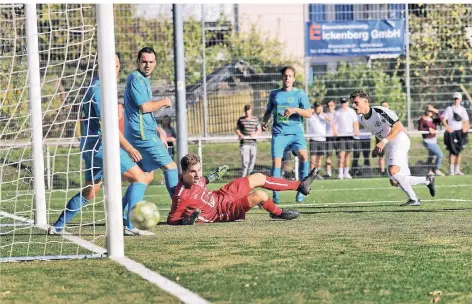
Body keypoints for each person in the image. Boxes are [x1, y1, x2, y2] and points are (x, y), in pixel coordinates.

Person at [49, 54, 154, 236]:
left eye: (116, 66)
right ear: (100, 67)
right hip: (101, 147)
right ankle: (129, 226)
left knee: (90, 191)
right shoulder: (99, 91)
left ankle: (58, 225)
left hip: (89, 148)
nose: (114, 70)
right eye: (110, 66)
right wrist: (129, 148)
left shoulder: (96, 87)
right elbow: (109, 127)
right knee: (141, 178)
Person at [167, 154, 319, 225]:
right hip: (222, 212)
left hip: (221, 196)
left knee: (257, 177)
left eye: (199, 170)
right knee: (260, 196)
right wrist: (185, 222)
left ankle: (300, 185)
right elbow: (172, 219)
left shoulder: (198, 178)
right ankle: (278, 214)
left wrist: (213, 176)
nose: (198, 175)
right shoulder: (181, 196)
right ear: (184, 172)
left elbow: (203, 181)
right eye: (193, 172)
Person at [351, 90, 436, 206]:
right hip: (389, 145)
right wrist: (378, 147)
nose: (353, 106)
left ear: (365, 102)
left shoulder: (380, 111)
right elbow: (378, 133)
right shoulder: (362, 120)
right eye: (353, 103)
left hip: (399, 140)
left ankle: (416, 196)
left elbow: (398, 127)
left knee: (393, 171)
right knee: (395, 180)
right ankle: (424, 184)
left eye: (356, 103)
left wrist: (383, 142)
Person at [124, 47, 179, 204]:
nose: (147, 65)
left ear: (155, 63)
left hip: (140, 133)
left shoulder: (143, 80)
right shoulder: (136, 79)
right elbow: (145, 107)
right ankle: (180, 211)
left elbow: (143, 114)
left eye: (151, 62)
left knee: (144, 176)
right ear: (138, 62)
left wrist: (158, 130)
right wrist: (165, 101)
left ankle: (122, 213)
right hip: (141, 135)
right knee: (171, 166)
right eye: (144, 62)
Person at [261, 66, 312, 203]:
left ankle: (302, 187)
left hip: (296, 133)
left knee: (303, 156)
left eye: (290, 76)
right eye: (285, 76)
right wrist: (264, 122)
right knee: (277, 163)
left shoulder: (300, 94)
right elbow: (268, 111)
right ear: (282, 78)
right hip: (279, 133)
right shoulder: (275, 94)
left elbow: (309, 113)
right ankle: (276, 195)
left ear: (294, 78)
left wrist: (295, 109)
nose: (287, 78)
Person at [441, 92, 470, 176]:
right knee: (452, 151)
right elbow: (443, 119)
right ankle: (451, 169)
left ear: (460, 100)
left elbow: (466, 121)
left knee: (459, 151)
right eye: (455, 99)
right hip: (451, 132)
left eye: (458, 99)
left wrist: (465, 128)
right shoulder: (449, 109)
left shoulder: (462, 109)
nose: (456, 100)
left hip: (459, 132)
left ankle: (457, 169)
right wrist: (447, 127)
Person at [332, 97, 359, 179]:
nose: (343, 104)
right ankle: (340, 173)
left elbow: (355, 123)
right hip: (341, 136)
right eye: (342, 102)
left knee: (347, 155)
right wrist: (335, 132)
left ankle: (346, 173)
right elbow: (333, 123)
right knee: (341, 155)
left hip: (350, 135)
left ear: (348, 103)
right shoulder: (337, 112)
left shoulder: (352, 112)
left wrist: (356, 131)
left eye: (345, 102)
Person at [418, 104, 445, 176]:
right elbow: (420, 129)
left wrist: (437, 111)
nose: (430, 112)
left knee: (431, 156)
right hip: (427, 141)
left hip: (434, 140)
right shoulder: (422, 119)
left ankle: (429, 170)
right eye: (428, 110)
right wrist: (428, 129)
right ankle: (436, 169)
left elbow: (441, 120)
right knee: (440, 155)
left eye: (431, 111)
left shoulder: (433, 119)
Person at [235, 104, 262, 177]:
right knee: (245, 161)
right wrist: (240, 135)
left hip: (253, 143)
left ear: (251, 111)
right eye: (246, 111)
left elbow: (259, 129)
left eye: (248, 111)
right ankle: (243, 177)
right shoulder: (241, 120)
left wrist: (255, 133)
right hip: (244, 143)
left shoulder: (255, 119)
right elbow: (237, 129)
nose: (247, 112)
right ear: (244, 111)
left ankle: (249, 176)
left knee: (252, 160)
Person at [307, 102, 329, 178]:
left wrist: (321, 113)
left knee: (319, 158)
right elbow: (307, 113)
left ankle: (317, 173)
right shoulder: (311, 116)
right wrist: (313, 111)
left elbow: (329, 120)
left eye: (319, 107)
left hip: (322, 139)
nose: (317, 108)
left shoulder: (324, 115)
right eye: (316, 107)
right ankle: (311, 172)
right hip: (313, 139)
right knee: (313, 157)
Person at [375, 101, 390, 175]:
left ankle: (389, 170)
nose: (384, 107)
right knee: (381, 155)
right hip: (380, 138)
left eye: (385, 106)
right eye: (383, 106)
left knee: (390, 154)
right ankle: (382, 171)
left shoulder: (391, 115)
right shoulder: (377, 116)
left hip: (390, 137)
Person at [324, 100, 336, 178]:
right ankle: (329, 173)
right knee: (328, 156)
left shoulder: (338, 114)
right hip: (329, 137)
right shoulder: (325, 115)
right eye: (328, 106)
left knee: (341, 155)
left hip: (339, 137)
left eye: (331, 105)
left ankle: (341, 173)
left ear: (334, 106)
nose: (330, 107)